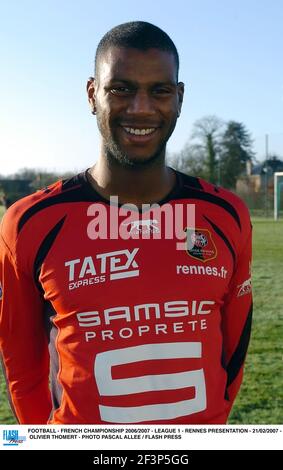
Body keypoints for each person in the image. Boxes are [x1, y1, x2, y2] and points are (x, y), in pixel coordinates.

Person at [0, 21, 252, 424]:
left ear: (179, 98)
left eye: (160, 90)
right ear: (91, 94)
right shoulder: (30, 222)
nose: (141, 108)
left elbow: (234, 352)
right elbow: (20, 364)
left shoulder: (225, 215)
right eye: (121, 88)